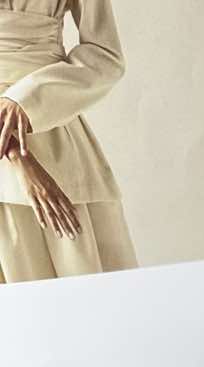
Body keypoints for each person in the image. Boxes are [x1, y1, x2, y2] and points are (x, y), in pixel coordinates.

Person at [0, 0, 136, 282]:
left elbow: (105, 55)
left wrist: (26, 99)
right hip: (18, 151)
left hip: (53, 133)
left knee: (88, 288)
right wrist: (19, 157)